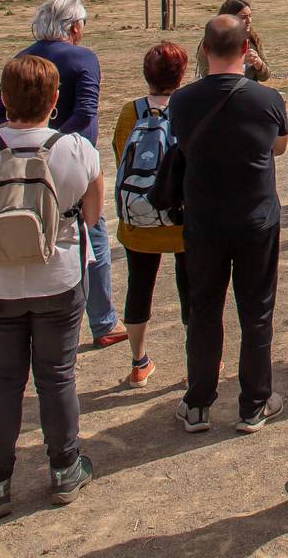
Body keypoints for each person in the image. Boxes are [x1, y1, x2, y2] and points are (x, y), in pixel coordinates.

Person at [0, 54, 101, 519]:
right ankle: (64, 467)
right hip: (57, 278)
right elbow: (92, 216)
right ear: (55, 101)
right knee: (57, 375)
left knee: (2, 382)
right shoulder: (75, 148)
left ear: (2, 99)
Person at [167, 15, 288, 434]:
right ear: (245, 50)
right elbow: (280, 146)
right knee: (256, 311)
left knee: (204, 311)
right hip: (255, 217)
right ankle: (254, 402)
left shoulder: (181, 102)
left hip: (203, 220)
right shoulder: (268, 99)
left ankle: (198, 402)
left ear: (204, 50)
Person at [0, 0, 119, 349]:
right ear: (75, 26)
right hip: (71, 157)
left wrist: (23, 143)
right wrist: (55, 142)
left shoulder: (21, 58)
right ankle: (103, 319)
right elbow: (85, 112)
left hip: (18, 156)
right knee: (91, 233)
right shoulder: (82, 58)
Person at [113, 41, 190, 390]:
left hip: (138, 221)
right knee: (191, 290)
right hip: (182, 222)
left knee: (138, 287)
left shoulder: (130, 112)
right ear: (181, 74)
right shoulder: (189, 109)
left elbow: (119, 160)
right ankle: (199, 356)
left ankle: (139, 362)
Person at [216, 0, 275, 81]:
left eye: (250, 16)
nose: (249, 21)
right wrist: (240, 61)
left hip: (248, 91)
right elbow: (208, 75)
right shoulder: (213, 41)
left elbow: (265, 76)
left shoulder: (253, 39)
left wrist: (259, 63)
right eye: (243, 17)